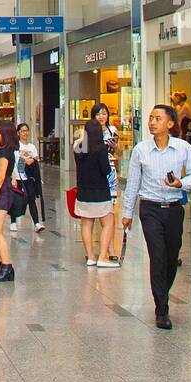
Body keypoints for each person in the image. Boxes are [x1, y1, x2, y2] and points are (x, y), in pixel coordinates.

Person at [121, 103, 191, 329]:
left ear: (170, 124)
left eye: (157, 118)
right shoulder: (141, 150)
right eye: (150, 118)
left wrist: (181, 183)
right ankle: (162, 309)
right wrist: (127, 212)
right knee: (157, 256)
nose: (152, 122)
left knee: (170, 257)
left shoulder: (183, 148)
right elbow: (133, 184)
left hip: (174, 208)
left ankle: (161, 292)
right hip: (150, 209)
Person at [73, 105, 117, 267]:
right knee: (108, 223)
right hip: (100, 192)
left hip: (83, 192)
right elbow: (106, 170)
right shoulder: (100, 149)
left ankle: (90, 256)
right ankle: (103, 257)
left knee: (86, 223)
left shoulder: (78, 147)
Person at [0, 120, 20, 282]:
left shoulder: (6, 152)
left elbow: (1, 177)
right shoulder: (1, 150)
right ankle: (3, 265)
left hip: (2, 191)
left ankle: (6, 266)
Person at [15, 122, 46, 233]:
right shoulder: (15, 146)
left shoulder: (32, 147)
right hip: (18, 177)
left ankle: (36, 223)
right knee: (16, 200)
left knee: (31, 199)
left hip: (29, 178)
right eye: (23, 131)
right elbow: (15, 162)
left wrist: (32, 160)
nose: (25, 133)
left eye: (27, 130)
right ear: (18, 133)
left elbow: (35, 160)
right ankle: (13, 221)